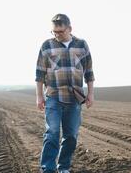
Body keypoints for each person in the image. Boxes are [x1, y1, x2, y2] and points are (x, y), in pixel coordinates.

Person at [35, 13, 95, 173]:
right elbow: (39, 73)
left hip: (75, 98)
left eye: (60, 32)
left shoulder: (82, 45)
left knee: (71, 136)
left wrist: (90, 93)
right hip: (53, 96)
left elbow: (89, 71)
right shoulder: (47, 46)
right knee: (52, 132)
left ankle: (63, 168)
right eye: (54, 32)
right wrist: (39, 96)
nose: (57, 35)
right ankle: (47, 169)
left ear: (70, 28)